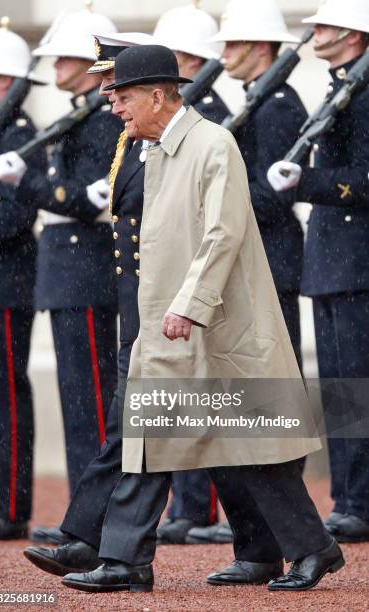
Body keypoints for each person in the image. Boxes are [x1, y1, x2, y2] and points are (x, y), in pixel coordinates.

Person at [23, 45, 343, 594]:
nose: (114, 107)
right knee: (170, 436)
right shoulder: (154, 147)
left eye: (121, 97)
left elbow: (224, 233)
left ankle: (298, 548)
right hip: (168, 324)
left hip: (212, 322)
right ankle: (142, 558)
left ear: (156, 94)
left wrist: (186, 306)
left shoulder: (211, 143)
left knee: (242, 439)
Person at [165, 0, 308, 546]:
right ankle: (258, 524)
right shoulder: (254, 102)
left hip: (270, 261)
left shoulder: (275, 107)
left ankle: (283, 526)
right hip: (252, 262)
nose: (222, 57)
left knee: (268, 400)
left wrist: (213, 203)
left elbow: (270, 199)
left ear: (262, 47)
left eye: (232, 45)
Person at [0, 4, 123, 544]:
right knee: (79, 403)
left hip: (88, 270)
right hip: (66, 272)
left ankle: (96, 519)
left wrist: (27, 184)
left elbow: (89, 199)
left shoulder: (97, 119)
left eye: (64, 57)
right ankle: (83, 515)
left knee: (92, 400)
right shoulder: (75, 115)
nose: (54, 67)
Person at [267, 0, 369, 543]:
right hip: (333, 260)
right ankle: (350, 498)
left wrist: (307, 183)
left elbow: (364, 177)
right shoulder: (341, 86)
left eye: (325, 26)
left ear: (354, 36)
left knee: (355, 387)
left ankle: (360, 501)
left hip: (357, 261)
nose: (315, 33)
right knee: (339, 389)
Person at [152, 0, 231, 545]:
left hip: (216, 274)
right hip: (180, 269)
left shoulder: (215, 121)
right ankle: (191, 504)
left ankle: (212, 509)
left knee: (230, 397)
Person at [0, 18, 47, 540]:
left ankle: (7, 506)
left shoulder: (19, 133)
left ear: (5, 82)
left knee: (3, 395)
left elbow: (15, 212)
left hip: (3, 282)